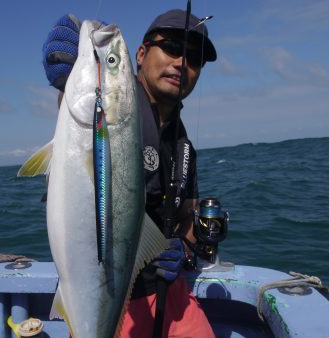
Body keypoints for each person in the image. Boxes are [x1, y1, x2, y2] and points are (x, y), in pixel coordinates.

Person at [43, 9, 216, 338]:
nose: (181, 62)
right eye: (171, 48)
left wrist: (183, 246)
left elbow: (187, 219)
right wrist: (67, 75)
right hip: (110, 296)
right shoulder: (121, 103)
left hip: (170, 292)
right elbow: (83, 112)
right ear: (140, 54)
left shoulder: (183, 146)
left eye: (194, 57)